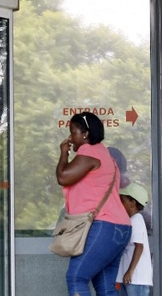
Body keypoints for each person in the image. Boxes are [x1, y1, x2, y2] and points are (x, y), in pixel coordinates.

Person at [56, 112, 132, 296]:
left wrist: (64, 153)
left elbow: (63, 176)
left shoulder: (89, 151)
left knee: (76, 278)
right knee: (106, 289)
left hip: (103, 226)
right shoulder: (107, 156)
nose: (71, 138)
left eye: (73, 132)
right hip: (120, 228)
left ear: (85, 134)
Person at [116, 183, 153, 296]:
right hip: (129, 278)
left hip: (136, 278)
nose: (121, 203)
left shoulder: (137, 220)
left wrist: (130, 271)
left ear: (133, 203)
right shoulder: (132, 220)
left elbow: (139, 247)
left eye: (123, 200)